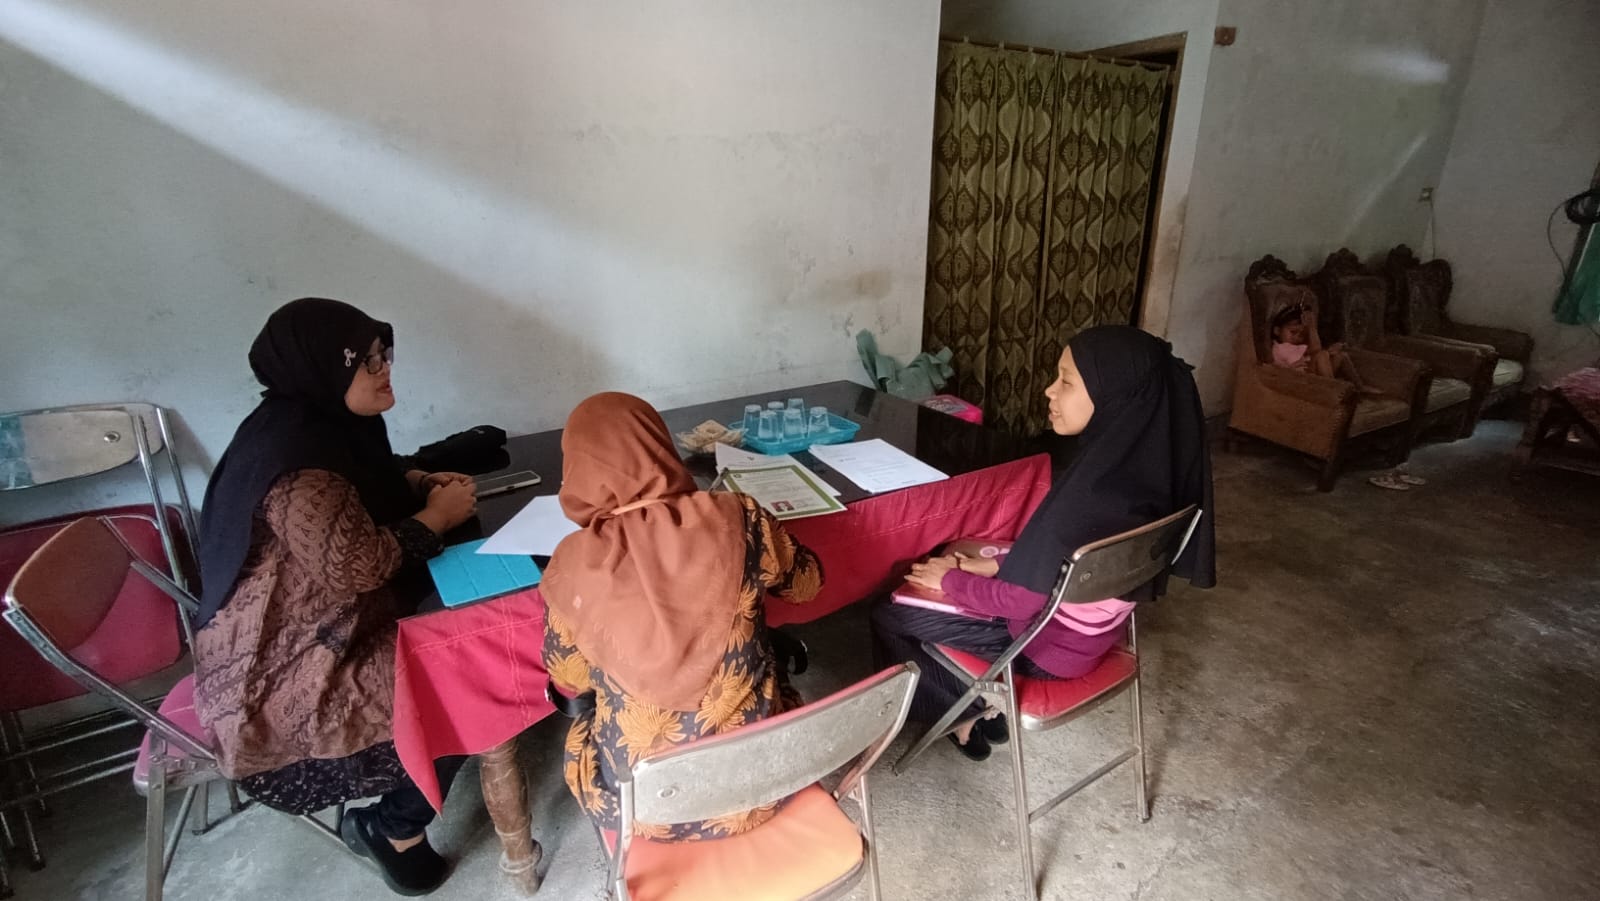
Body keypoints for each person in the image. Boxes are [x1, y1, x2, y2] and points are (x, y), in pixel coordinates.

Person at [193, 298, 478, 896]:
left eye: (383, 353)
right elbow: (360, 565)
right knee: (471, 678)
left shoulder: (311, 426)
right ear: (324, 367)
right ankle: (394, 828)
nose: (384, 369)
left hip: (322, 633)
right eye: (365, 361)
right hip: (282, 690)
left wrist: (418, 481)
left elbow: (370, 476)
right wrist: (438, 517)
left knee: (465, 637)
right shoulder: (298, 470)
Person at [871, 325, 1216, 761]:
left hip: (1044, 647)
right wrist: (998, 565)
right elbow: (1063, 564)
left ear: (1113, 396)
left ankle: (963, 714)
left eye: (1066, 382)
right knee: (963, 574)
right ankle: (970, 704)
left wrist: (951, 580)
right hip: (1091, 640)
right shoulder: (1147, 477)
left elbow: (1018, 603)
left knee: (889, 612)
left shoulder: (1087, 499)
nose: (1049, 391)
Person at [540, 392, 823, 840]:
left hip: (644, 808)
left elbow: (570, 677)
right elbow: (805, 587)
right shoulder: (740, 515)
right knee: (772, 679)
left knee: (585, 729)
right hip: (764, 782)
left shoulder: (571, 564)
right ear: (659, 446)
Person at [1271, 302, 1377, 394]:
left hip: (1310, 375)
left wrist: (1331, 350)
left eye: (1301, 335)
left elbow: (1310, 353)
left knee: (1341, 356)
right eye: (1293, 332)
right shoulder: (1282, 348)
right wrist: (1311, 327)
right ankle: (1333, 389)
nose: (1297, 337)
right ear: (1277, 331)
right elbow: (1316, 350)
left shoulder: (1293, 346)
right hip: (1299, 381)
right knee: (1321, 355)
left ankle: (1360, 387)